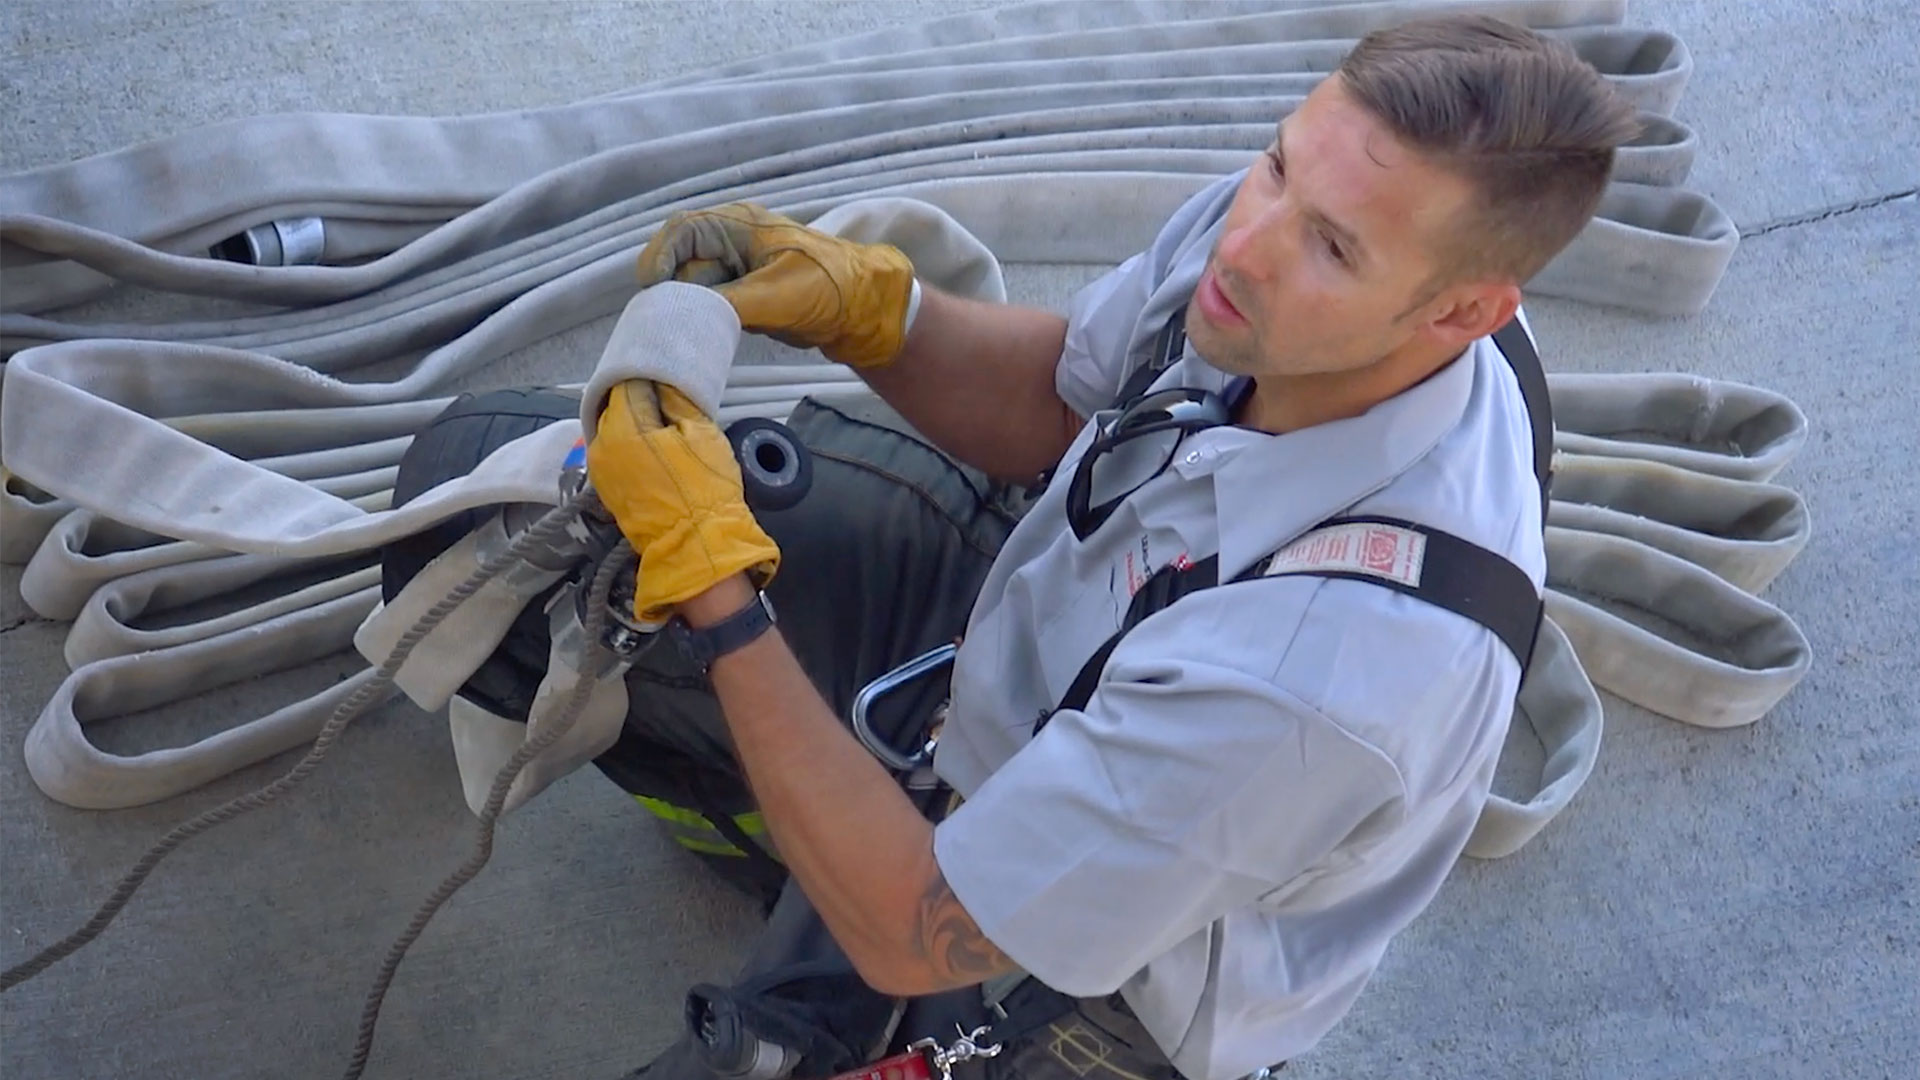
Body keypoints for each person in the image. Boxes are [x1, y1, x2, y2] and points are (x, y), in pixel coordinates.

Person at [385, 13, 1639, 1080]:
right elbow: (1063, 398)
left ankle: (820, 860)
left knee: (864, 913)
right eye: (1276, 168)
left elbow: (914, 926)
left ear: (1467, 312)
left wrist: (714, 585)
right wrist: (872, 310)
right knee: (485, 512)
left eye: (1333, 245)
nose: (1244, 244)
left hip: (1083, 988)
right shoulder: (1278, 262)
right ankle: (773, 828)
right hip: (1028, 645)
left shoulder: (1319, 677)